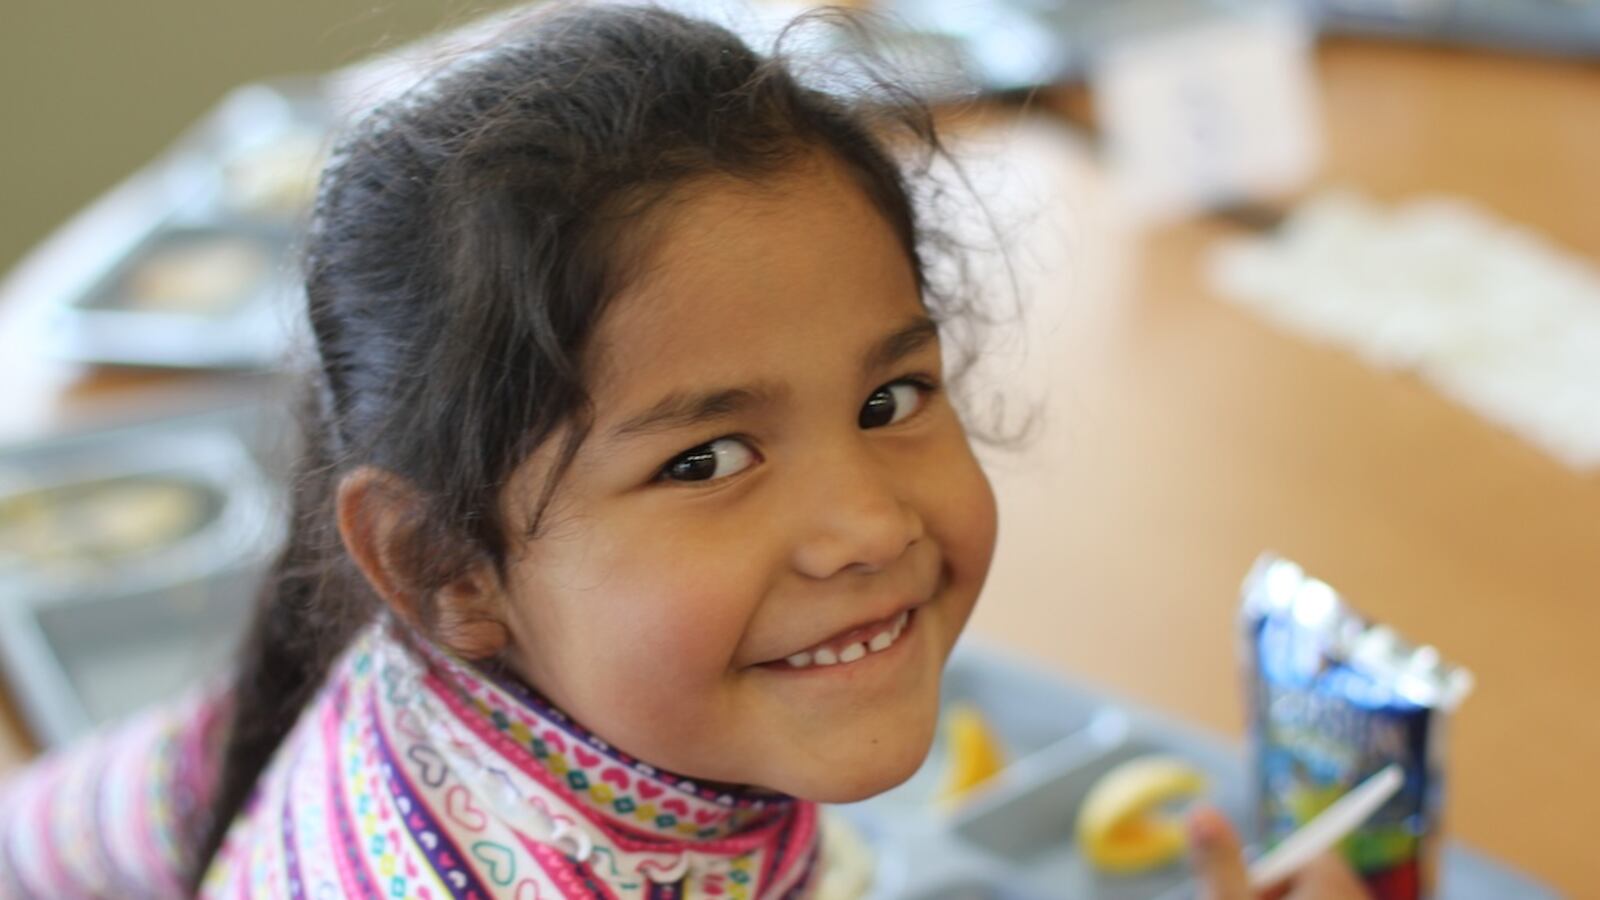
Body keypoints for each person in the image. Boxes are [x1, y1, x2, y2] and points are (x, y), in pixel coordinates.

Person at [0, 3, 1369, 897]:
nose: (870, 524)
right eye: (706, 461)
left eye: (890, 399)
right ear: (440, 565)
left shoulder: (498, 689)